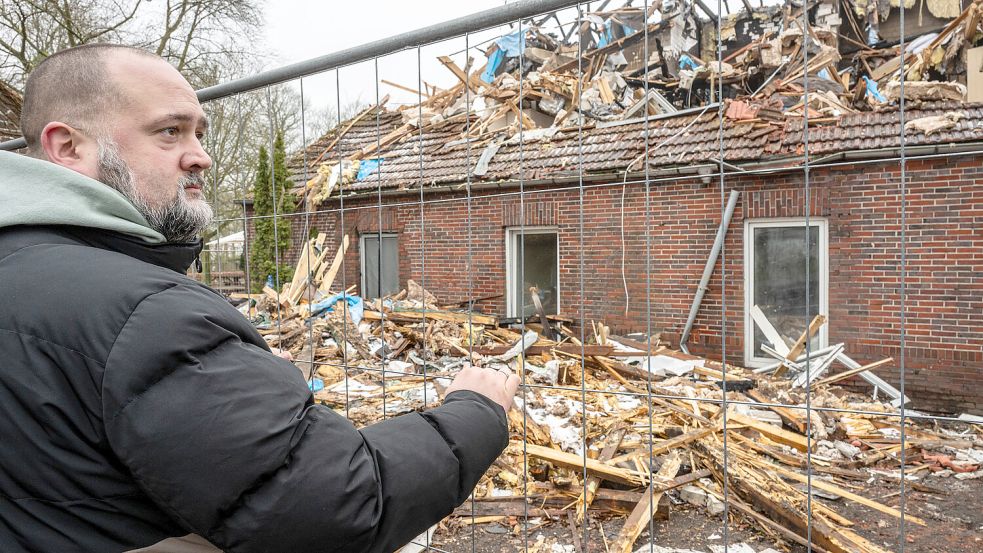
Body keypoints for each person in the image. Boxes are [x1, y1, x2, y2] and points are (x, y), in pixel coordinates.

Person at [0, 43, 520, 553]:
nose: (200, 155)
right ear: (68, 146)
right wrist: (475, 411)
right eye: (169, 131)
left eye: (200, 133)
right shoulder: (145, 313)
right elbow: (336, 509)